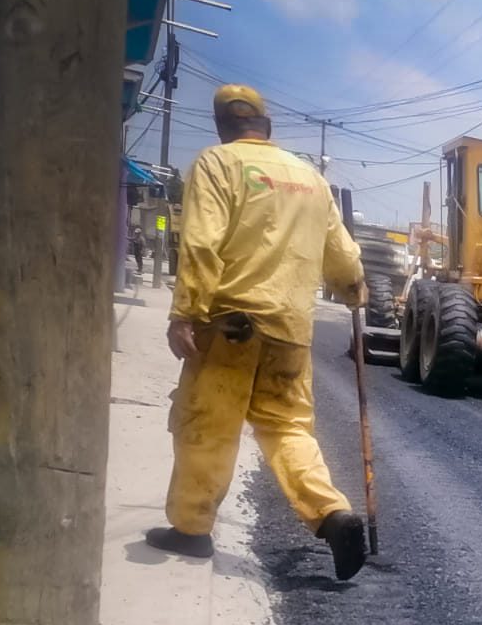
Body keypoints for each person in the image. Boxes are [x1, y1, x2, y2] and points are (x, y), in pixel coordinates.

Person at [148, 84, 369, 580]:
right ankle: (332, 514)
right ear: (266, 128)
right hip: (291, 333)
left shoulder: (217, 164)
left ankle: (190, 529)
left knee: (208, 427)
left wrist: (186, 312)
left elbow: (202, 245)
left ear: (224, 127)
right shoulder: (312, 179)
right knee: (289, 429)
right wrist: (355, 288)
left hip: (230, 326)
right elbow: (344, 258)